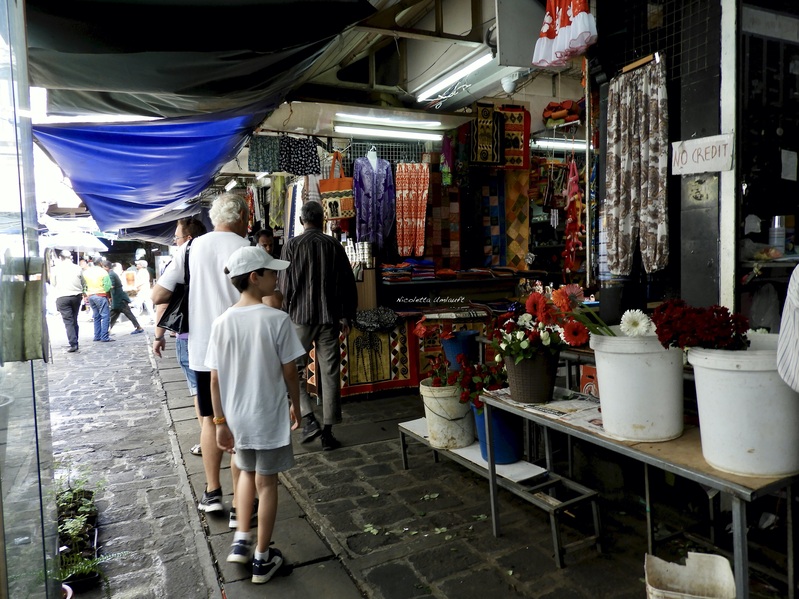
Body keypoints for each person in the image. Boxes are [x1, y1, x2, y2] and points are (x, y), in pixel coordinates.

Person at [205, 245, 303, 585]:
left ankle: (242, 539)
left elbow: (214, 379)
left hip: (237, 416)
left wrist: (219, 422)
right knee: (269, 483)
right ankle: (263, 558)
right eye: (271, 271)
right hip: (269, 415)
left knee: (245, 473)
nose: (276, 276)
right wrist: (297, 405)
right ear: (254, 277)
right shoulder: (277, 319)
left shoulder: (221, 322)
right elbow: (290, 372)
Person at [151, 193, 250, 517]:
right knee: (240, 422)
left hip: (203, 349)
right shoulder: (247, 249)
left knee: (209, 420)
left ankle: (212, 492)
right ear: (241, 218)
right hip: (240, 350)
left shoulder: (191, 248)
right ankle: (240, 503)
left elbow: (158, 294)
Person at [278, 201, 358, 450]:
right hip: (328, 318)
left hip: (299, 318)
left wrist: (284, 314)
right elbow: (347, 283)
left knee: (293, 369)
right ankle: (328, 431)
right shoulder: (333, 245)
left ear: (302, 221)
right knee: (330, 372)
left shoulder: (291, 246)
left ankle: (308, 417)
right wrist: (346, 316)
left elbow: (284, 285)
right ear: (323, 220)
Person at [153, 216, 208, 457]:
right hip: (215, 333)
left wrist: (158, 335)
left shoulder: (182, 258)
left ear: (187, 239)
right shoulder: (215, 258)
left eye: (176, 239)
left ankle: (209, 442)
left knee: (199, 392)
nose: (174, 243)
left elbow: (159, 300)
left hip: (188, 336)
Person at [50, 250, 85, 352]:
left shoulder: (55, 269)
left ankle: (73, 343)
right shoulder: (77, 268)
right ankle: (75, 340)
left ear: (60, 257)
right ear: (70, 257)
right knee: (74, 319)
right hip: (76, 296)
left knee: (68, 321)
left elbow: (53, 283)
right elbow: (83, 281)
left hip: (62, 296)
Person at [103, 260, 144, 334]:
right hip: (118, 298)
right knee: (114, 314)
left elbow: (111, 286)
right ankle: (107, 330)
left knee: (125, 313)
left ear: (107, 267)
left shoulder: (111, 274)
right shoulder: (111, 273)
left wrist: (104, 287)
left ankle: (138, 327)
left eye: (103, 267)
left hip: (119, 299)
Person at [82, 257, 113, 342]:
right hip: (101, 295)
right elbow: (107, 286)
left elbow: (83, 285)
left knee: (96, 316)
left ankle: (97, 336)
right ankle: (104, 336)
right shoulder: (103, 272)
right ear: (101, 263)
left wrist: (86, 293)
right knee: (105, 316)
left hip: (91, 296)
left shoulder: (86, 272)